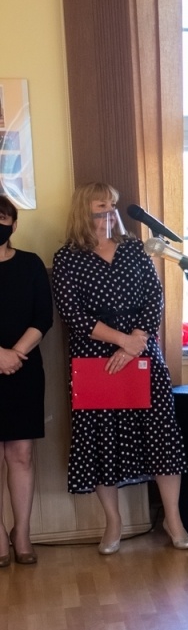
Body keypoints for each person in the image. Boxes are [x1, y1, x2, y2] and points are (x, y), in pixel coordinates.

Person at [51, 184, 188, 553]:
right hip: (95, 358)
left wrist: (136, 341)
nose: (109, 215)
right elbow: (73, 315)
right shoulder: (67, 258)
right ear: (84, 212)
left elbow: (154, 297)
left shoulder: (134, 249)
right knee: (100, 440)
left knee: (161, 433)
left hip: (143, 352)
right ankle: (113, 522)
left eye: (112, 207)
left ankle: (172, 518)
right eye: (101, 208)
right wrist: (121, 340)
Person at [0, 194, 52, 567]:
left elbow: (42, 318)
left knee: (21, 454)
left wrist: (14, 354)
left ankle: (22, 534)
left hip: (24, 369)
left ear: (13, 224)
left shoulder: (31, 264)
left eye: (3, 219)